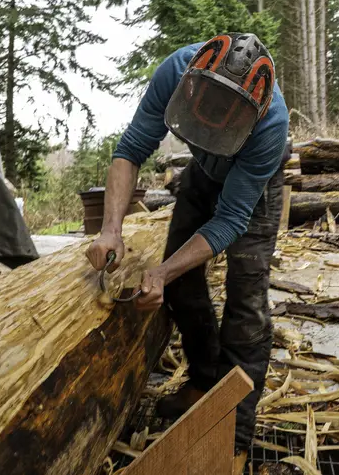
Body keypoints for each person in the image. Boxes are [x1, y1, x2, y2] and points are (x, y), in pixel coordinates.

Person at [85, 33, 289, 472]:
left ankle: (233, 432)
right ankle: (202, 382)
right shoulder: (177, 69)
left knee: (246, 301)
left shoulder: (271, 122)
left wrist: (162, 271)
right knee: (180, 279)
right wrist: (111, 230)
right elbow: (131, 149)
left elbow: (234, 218)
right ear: (194, 82)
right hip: (204, 171)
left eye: (225, 117)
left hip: (252, 187)